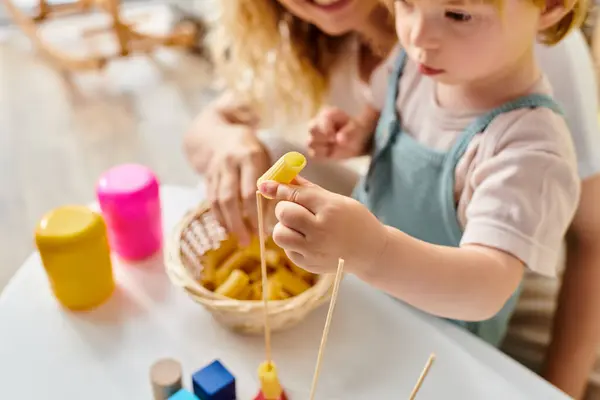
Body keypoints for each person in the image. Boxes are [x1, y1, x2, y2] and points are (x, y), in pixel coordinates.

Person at [184, 1, 600, 397]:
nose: (419, 34)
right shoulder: (415, 65)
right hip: (368, 296)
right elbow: (384, 116)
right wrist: (353, 134)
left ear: (548, 6)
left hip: (443, 340)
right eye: (405, 2)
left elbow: (488, 288)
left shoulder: (531, 149)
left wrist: (374, 251)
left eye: (457, 13)